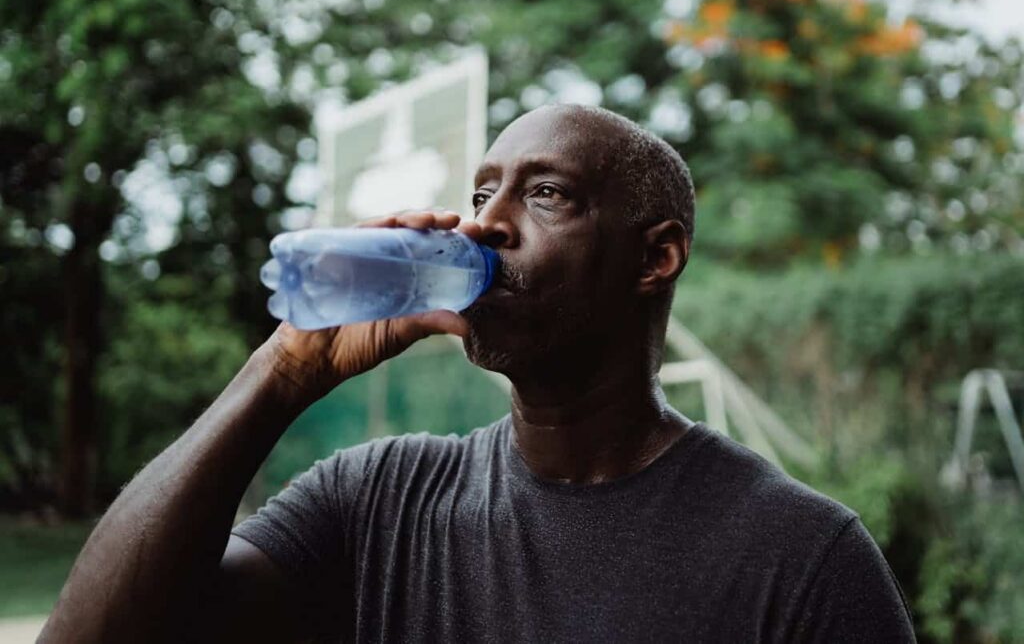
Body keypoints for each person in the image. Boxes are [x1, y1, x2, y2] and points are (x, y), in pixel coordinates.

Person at [42, 104, 915, 643]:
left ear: (657, 257)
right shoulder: (375, 499)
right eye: (483, 190)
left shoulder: (801, 557)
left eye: (544, 195)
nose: (482, 224)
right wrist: (282, 369)